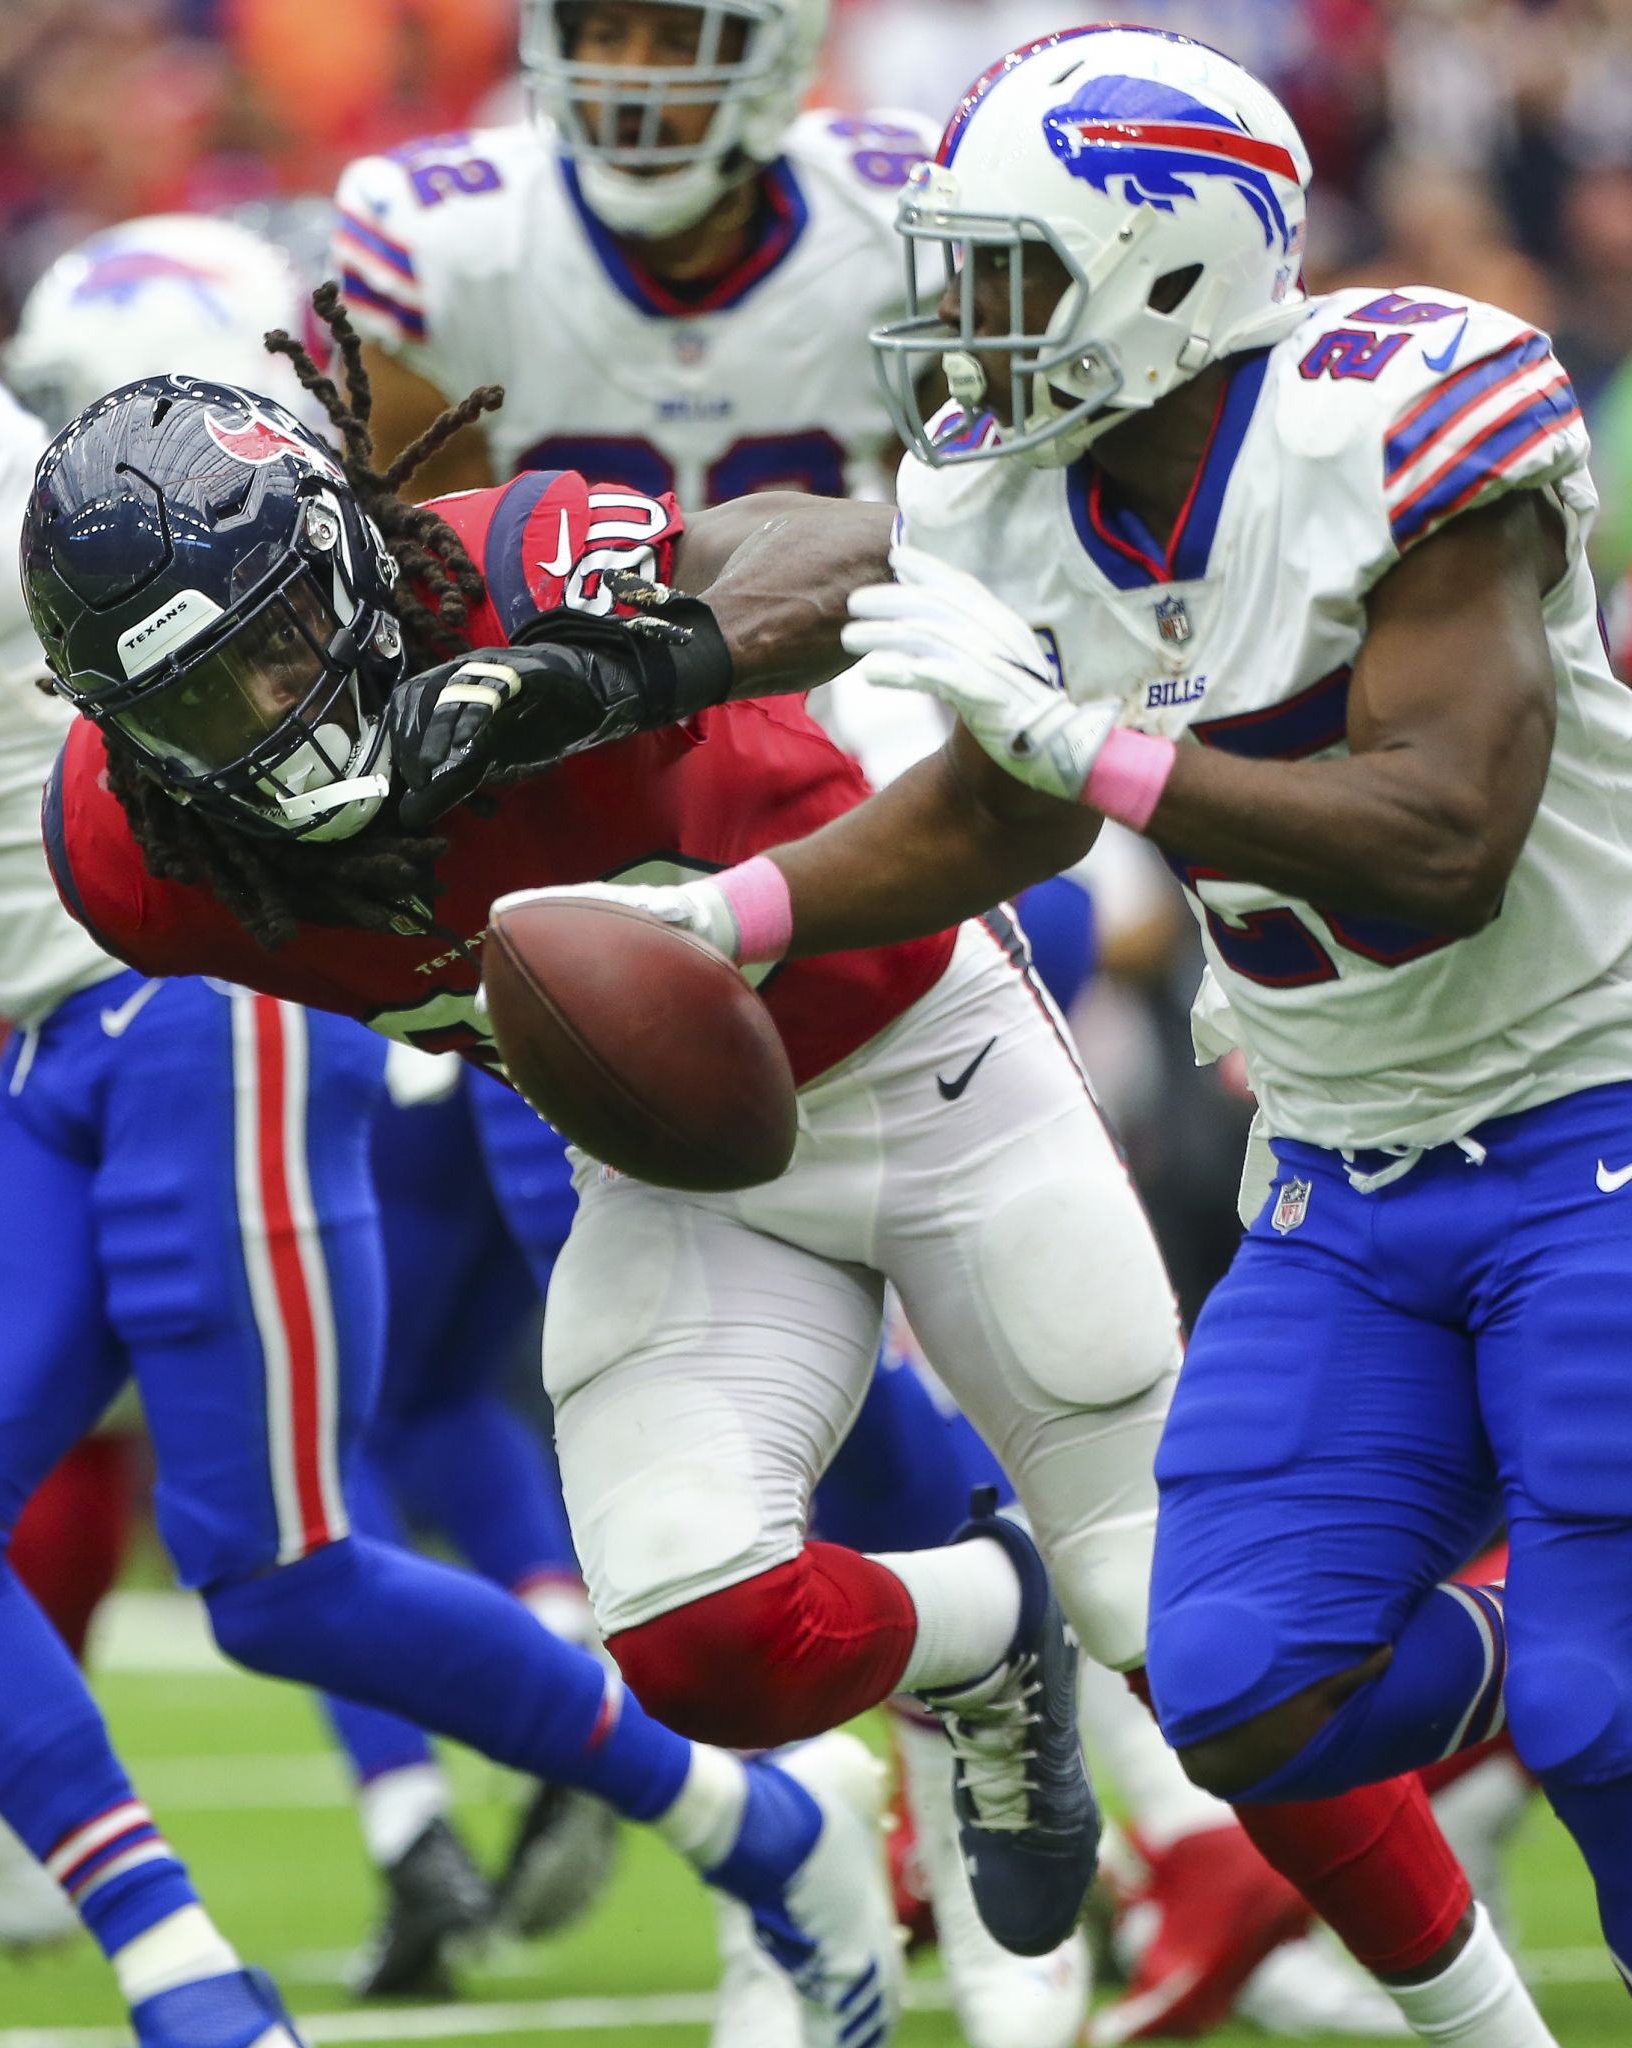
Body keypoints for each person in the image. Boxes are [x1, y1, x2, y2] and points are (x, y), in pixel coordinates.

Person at [37, 278, 1532, 2044]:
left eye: (281, 639)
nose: (271, 712)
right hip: (672, 1158)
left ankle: (1483, 2021)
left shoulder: (498, 565)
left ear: (352, 556)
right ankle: (985, 1633)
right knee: (690, 1633)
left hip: (919, 1048)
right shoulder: (127, 862)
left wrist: (595, 670)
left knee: (1182, 1625)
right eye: (202, 702)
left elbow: (849, 547)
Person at [482, 22, 1605, 2042]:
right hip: (1338, 1160)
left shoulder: (1399, 410)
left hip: (1581, 1116)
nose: (951, 327)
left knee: (1596, 1718)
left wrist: (1107, 752)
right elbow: (994, 807)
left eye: (999, 272)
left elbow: (1438, 833)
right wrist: (729, 918)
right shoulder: (1007, 495)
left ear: (1170, 269)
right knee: (1247, 1686)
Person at [0, 331, 900, 2048]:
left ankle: (766, 1821)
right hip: (59, 1029)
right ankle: (191, 1986)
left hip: (201, 1000)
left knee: (278, 1567)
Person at [333, 0, 933, 500]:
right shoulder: (443, 242)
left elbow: (953, 513)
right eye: (604, 34)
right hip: (535, 641)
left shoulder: (894, 223)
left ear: (775, 56)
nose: (631, 82)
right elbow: (423, 557)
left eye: (680, 41)